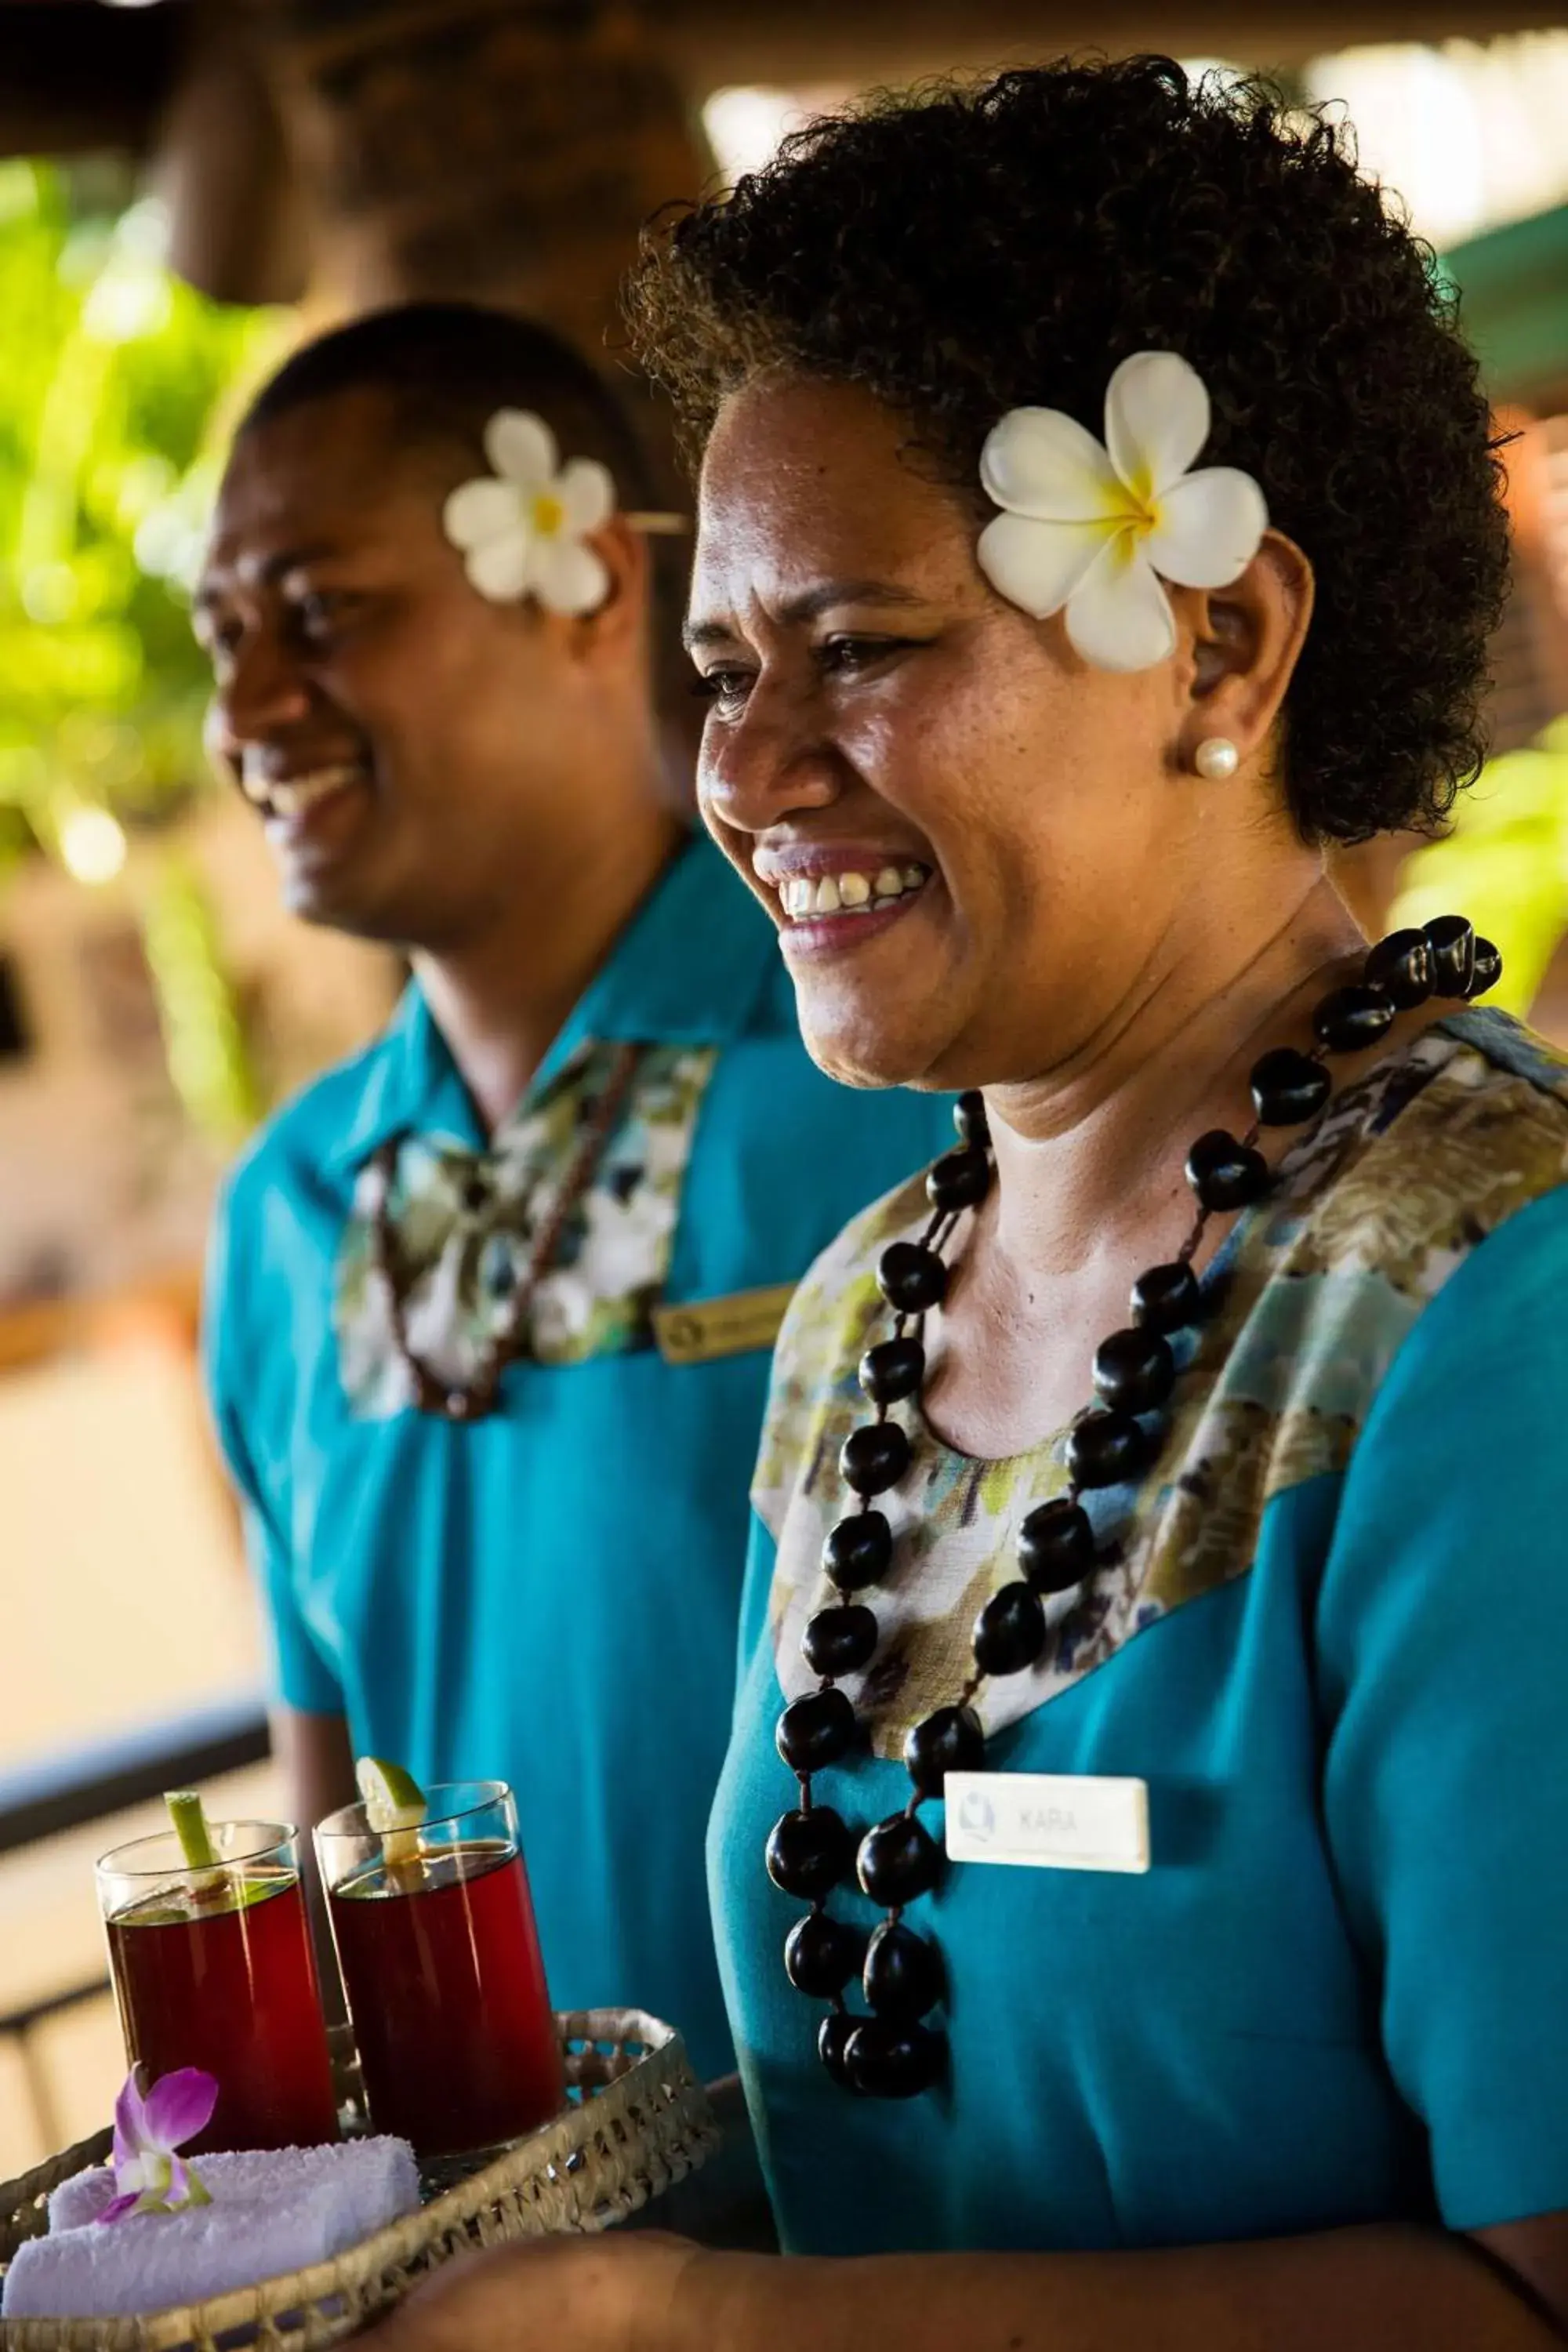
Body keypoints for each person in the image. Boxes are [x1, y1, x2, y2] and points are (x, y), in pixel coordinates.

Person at [365, 60, 1568, 2351]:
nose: (745, 768)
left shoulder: (1500, 1311)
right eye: (724, 669)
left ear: (1218, 643)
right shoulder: (858, 1325)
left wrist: (685, 2335)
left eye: (864, 648)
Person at [198, 300, 953, 2087]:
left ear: (593, 585)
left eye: (322, 613)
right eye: (221, 636)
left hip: (904, 2251)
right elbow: (332, 1821)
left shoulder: (900, 1078)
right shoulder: (289, 1208)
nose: (246, 709)